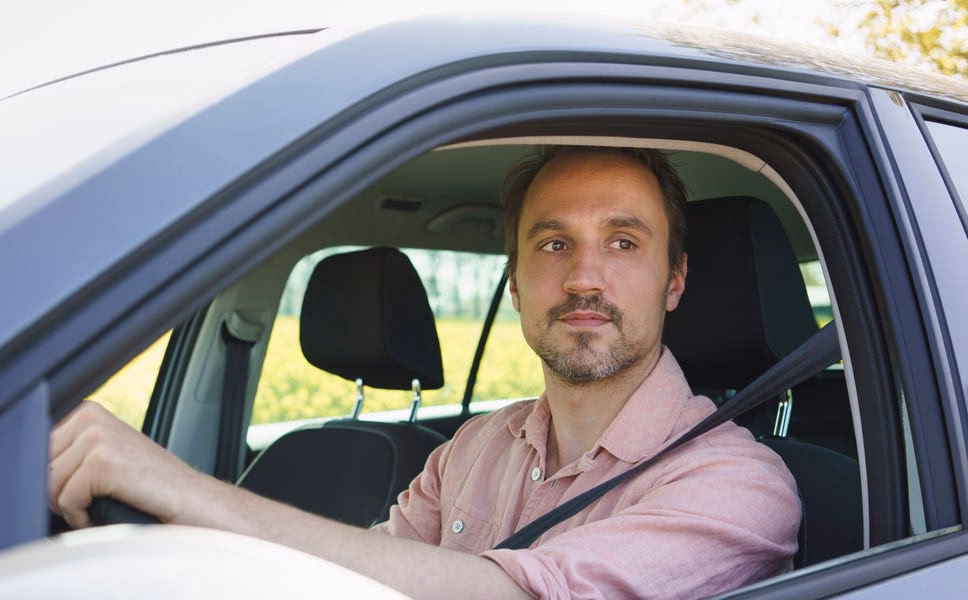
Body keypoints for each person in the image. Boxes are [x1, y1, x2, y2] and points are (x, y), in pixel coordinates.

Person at [49, 146, 801, 599]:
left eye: (624, 243)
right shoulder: (472, 449)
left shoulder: (739, 486)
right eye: (552, 244)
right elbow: (362, 580)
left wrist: (181, 490)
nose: (583, 277)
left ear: (675, 281)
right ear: (514, 284)